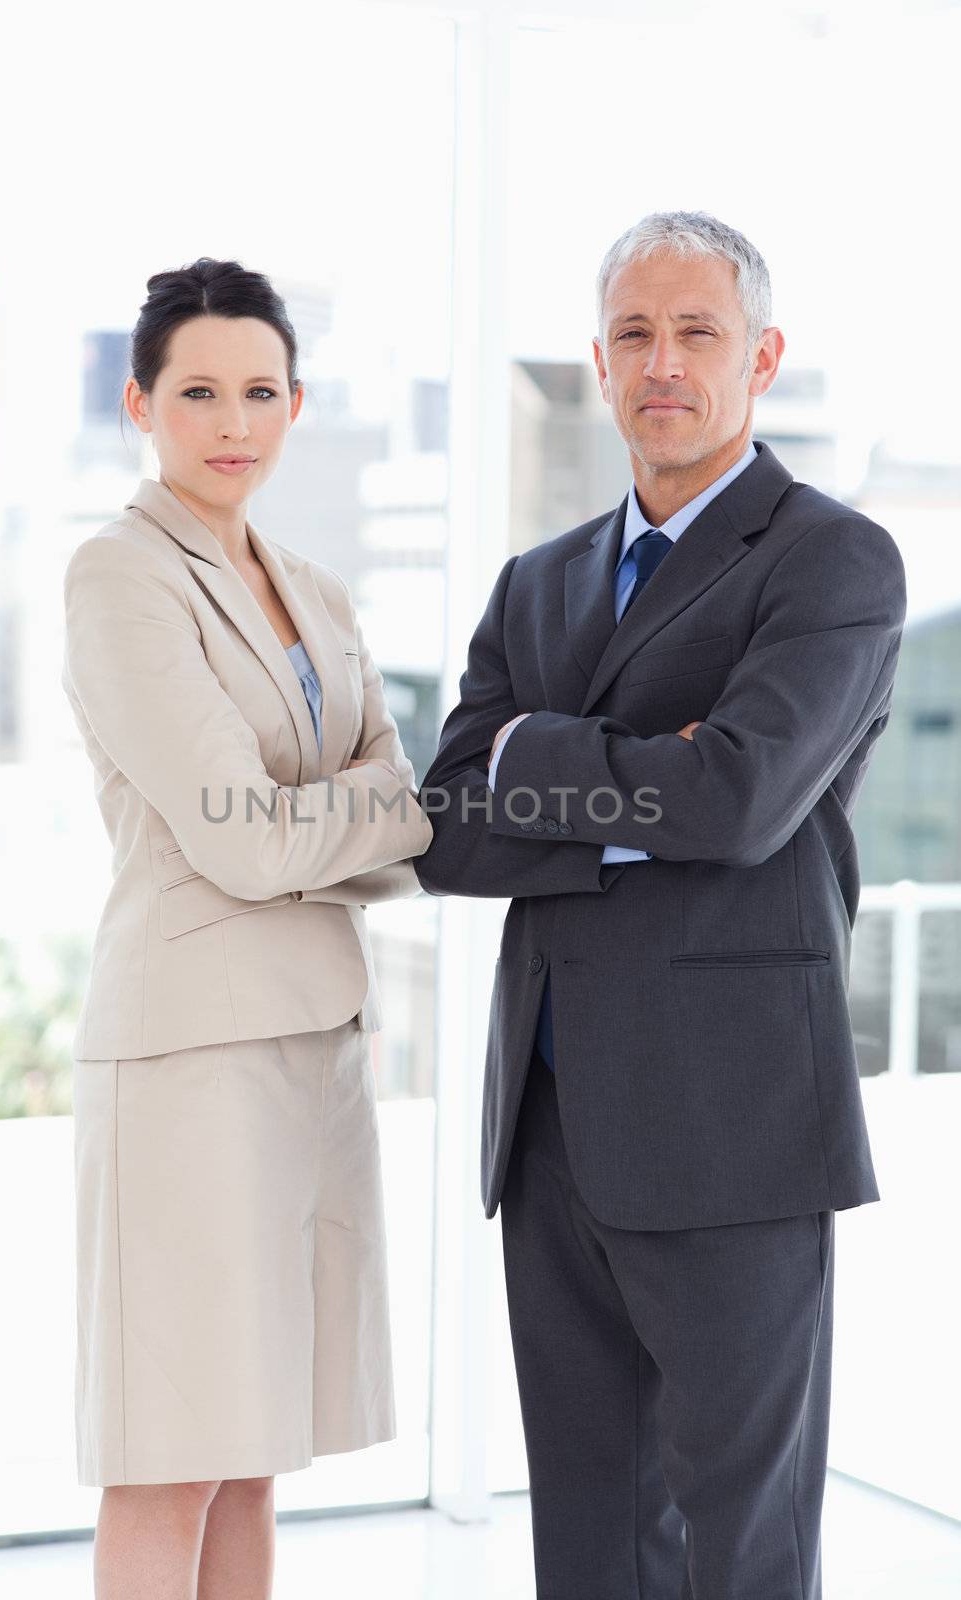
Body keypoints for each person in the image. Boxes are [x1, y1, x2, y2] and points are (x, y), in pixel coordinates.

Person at [415, 209, 906, 1598]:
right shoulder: (539, 581)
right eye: (635, 333)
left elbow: (744, 802)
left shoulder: (831, 562)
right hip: (553, 1122)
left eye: (699, 331)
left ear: (763, 356)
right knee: (587, 1530)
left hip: (733, 1126)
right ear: (599, 362)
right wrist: (645, 791)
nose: (665, 361)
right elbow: (447, 829)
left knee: (743, 1543)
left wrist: (538, 764)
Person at [61, 257, 433, 1600]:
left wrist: (353, 812)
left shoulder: (313, 589)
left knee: (258, 1446)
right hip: (190, 1059)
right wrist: (369, 812)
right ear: (141, 404)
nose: (233, 421)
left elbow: (396, 787)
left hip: (316, 1044)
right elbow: (243, 831)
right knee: (172, 1454)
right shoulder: (120, 577)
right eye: (200, 390)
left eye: (260, 391)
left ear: (296, 406)